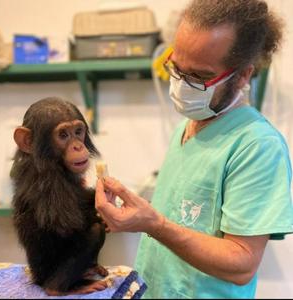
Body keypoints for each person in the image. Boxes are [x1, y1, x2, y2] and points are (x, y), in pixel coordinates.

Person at [95, 0, 293, 298]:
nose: (181, 85)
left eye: (198, 77)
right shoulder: (185, 128)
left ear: (241, 75)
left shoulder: (256, 145)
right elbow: (183, 222)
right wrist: (136, 217)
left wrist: (153, 224)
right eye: (176, 66)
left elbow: (241, 264)